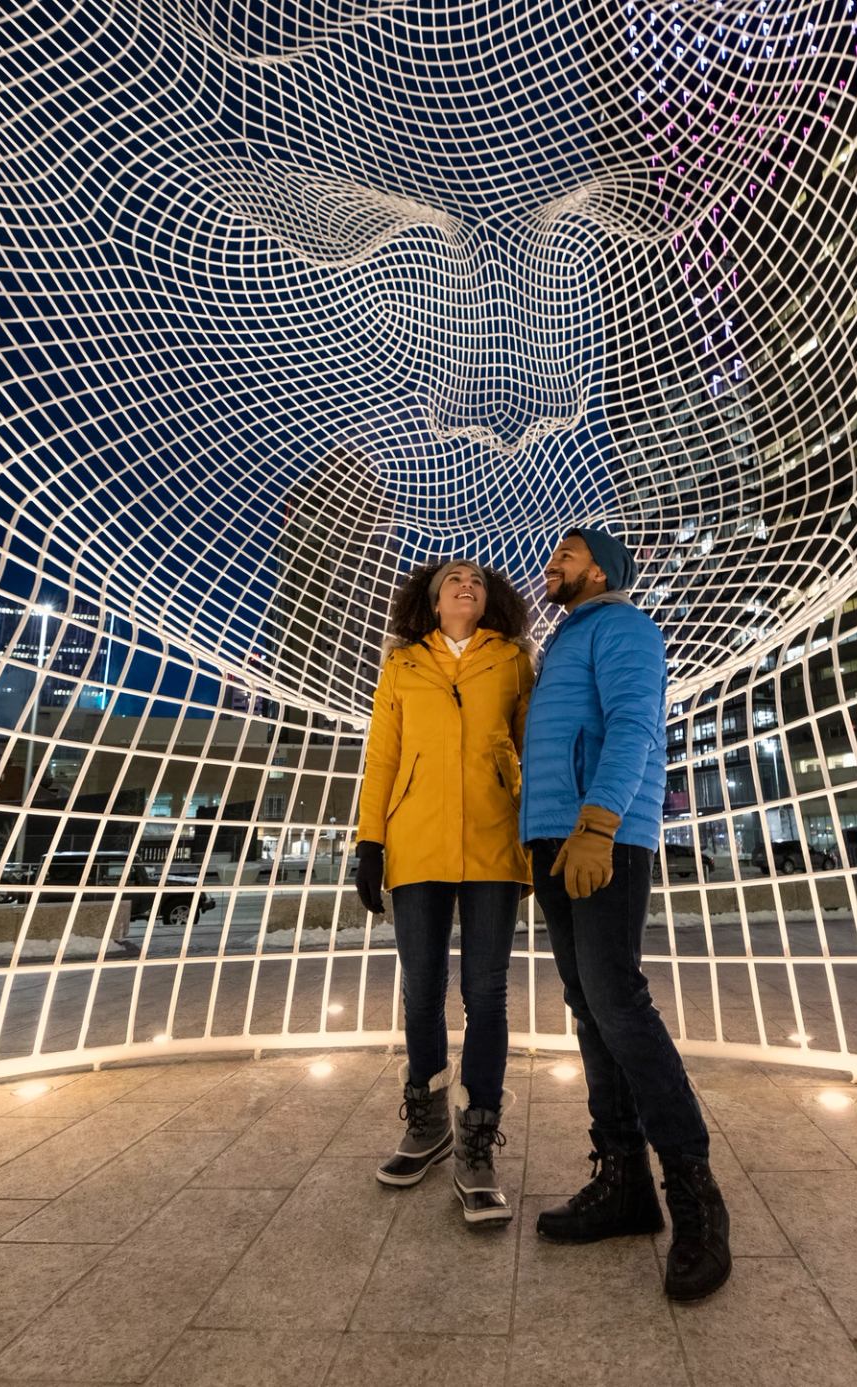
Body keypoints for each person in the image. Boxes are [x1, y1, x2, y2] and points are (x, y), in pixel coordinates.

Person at [520, 526, 732, 1301]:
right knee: (589, 1009)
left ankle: (695, 1192)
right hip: (553, 838)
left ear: (603, 568)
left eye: (568, 554)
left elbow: (638, 726)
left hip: (598, 837)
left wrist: (600, 821)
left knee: (618, 1001)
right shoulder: (561, 644)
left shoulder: (624, 626)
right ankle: (623, 1180)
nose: (554, 562)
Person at [355, 558, 533, 1224]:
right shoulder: (402, 666)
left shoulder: (514, 661)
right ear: (433, 602)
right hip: (415, 844)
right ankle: (427, 1122)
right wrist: (369, 842)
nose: (467, 584)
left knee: (486, 991)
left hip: (493, 843)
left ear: (490, 602)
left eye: (479, 582)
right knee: (420, 984)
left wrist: (536, 828)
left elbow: (528, 748)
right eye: (454, 580)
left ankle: (477, 1138)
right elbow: (384, 756)